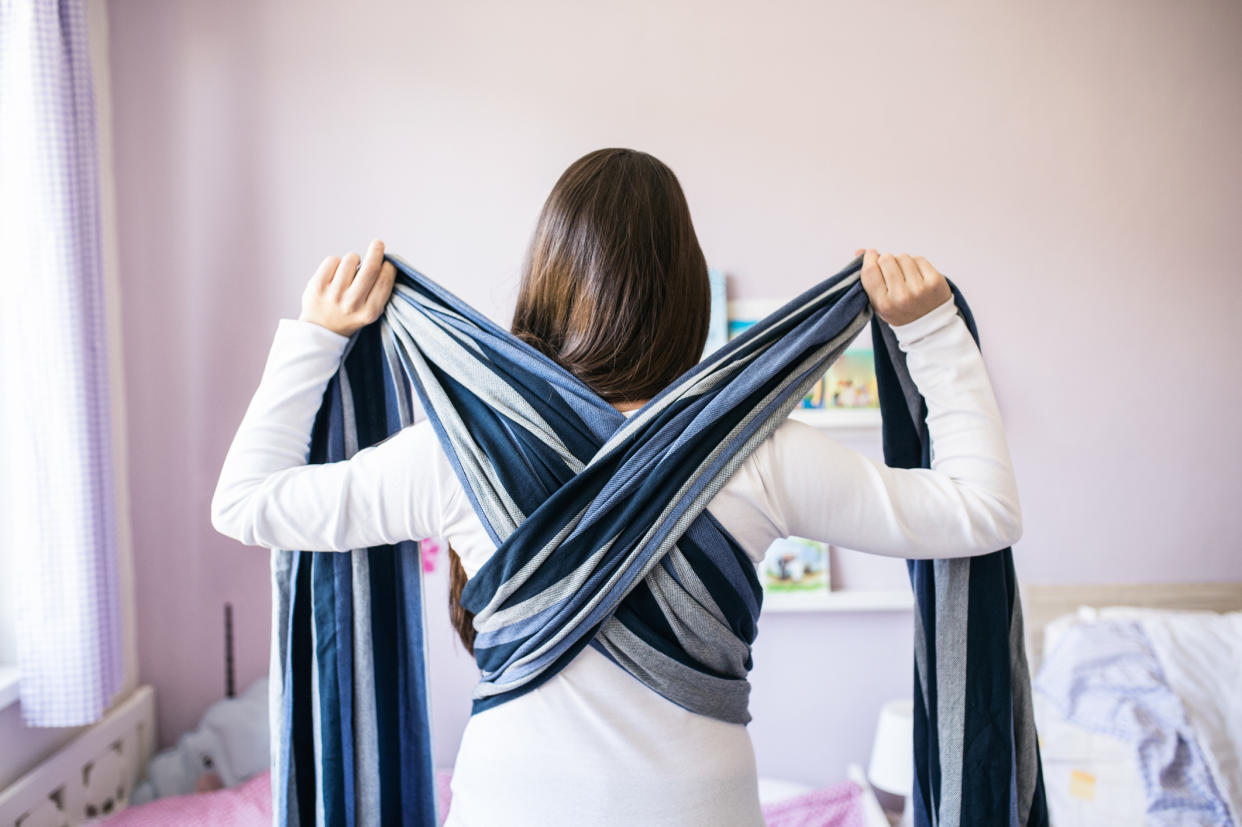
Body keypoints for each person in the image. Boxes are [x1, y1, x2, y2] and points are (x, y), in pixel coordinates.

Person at [211, 148, 1021, 826]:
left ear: (548, 280)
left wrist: (314, 341)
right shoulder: (759, 451)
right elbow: (982, 513)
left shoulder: (454, 452)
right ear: (687, 290)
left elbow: (245, 502)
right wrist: (934, 334)